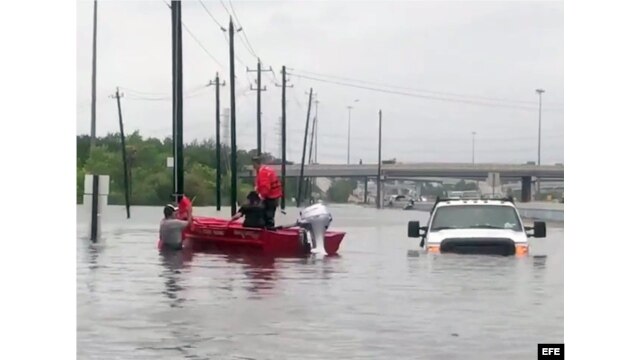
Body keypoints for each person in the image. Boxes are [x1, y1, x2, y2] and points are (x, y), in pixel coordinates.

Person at [252, 155, 282, 228]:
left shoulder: (263, 172)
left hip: (270, 198)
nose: (253, 167)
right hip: (274, 197)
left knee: (268, 216)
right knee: (269, 215)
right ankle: (269, 229)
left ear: (256, 164)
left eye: (253, 165)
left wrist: (260, 197)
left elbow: (265, 187)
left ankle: (268, 232)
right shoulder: (266, 169)